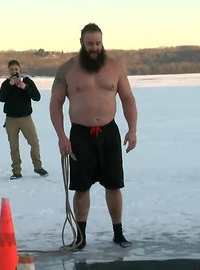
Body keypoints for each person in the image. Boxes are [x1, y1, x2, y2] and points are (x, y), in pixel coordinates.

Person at [50, 23, 138, 249]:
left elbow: (128, 99)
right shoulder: (67, 69)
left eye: (98, 43)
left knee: (114, 185)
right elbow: (55, 104)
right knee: (81, 188)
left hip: (109, 133)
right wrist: (62, 137)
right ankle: (80, 236)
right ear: (81, 43)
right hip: (80, 134)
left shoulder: (115, 67)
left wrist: (132, 129)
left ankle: (118, 233)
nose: (94, 48)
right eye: (90, 44)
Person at [0, 60, 48, 180]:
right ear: (8, 70)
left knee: (34, 143)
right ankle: (16, 171)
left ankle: (38, 167)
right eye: (11, 70)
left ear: (20, 69)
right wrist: (10, 85)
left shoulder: (27, 81)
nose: (14, 72)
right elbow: (1, 98)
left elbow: (37, 97)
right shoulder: (6, 83)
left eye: (16, 69)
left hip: (26, 118)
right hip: (11, 120)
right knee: (14, 147)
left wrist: (25, 87)